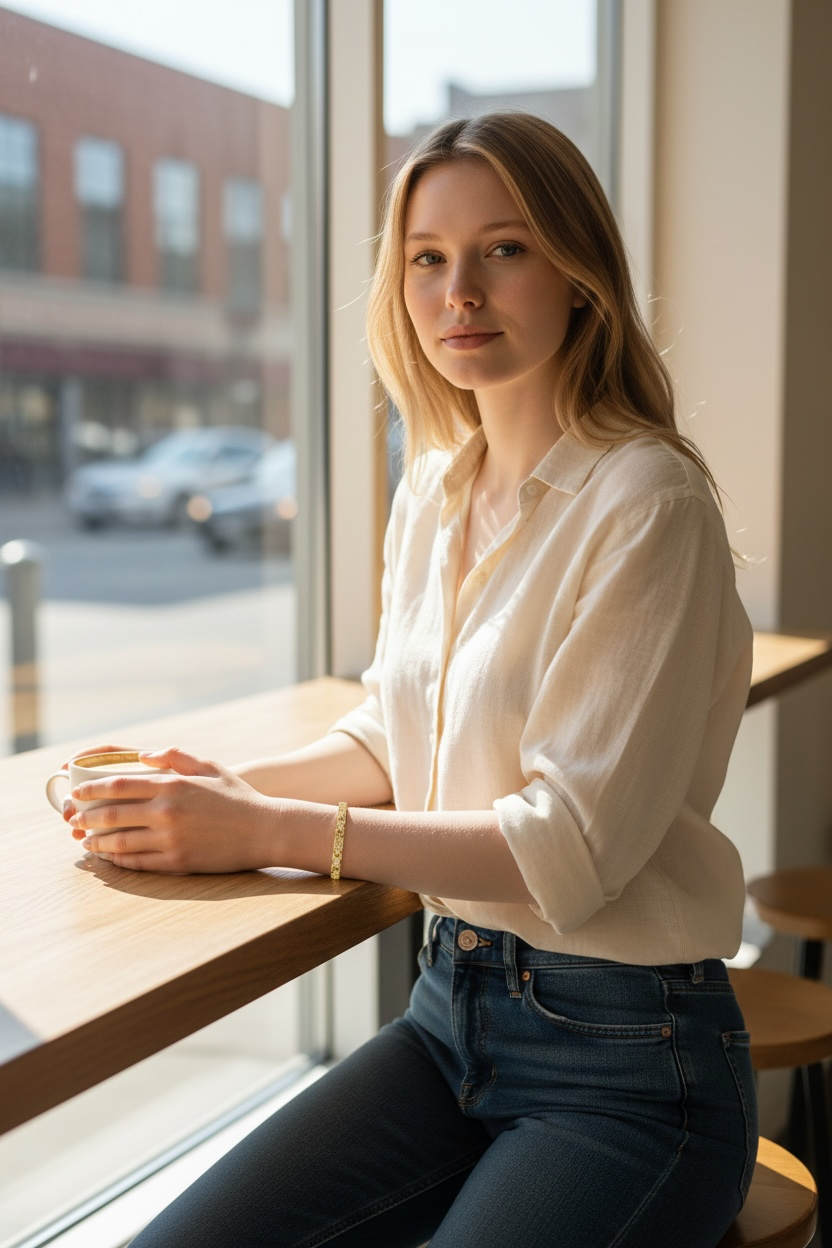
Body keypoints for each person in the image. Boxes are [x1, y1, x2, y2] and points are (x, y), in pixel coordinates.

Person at [66, 113, 758, 1247]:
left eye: (504, 249)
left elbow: (566, 850)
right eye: (427, 258)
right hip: (446, 1022)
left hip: (631, 1069)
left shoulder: (649, 503)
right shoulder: (435, 488)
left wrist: (266, 829)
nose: (459, 292)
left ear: (579, 273)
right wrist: (203, 791)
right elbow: (395, 738)